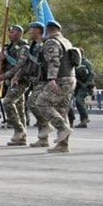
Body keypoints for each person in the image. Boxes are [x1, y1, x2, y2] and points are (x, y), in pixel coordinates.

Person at [32, 19, 77, 153]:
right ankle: (63, 145)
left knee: (41, 102)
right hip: (70, 78)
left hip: (60, 79)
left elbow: (54, 61)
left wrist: (51, 78)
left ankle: (62, 128)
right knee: (61, 110)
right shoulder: (66, 41)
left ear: (48, 30)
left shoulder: (52, 42)